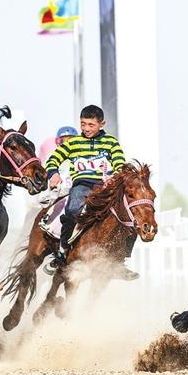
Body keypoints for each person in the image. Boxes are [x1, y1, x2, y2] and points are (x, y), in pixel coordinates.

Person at [43, 105, 137, 279]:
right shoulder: (73, 143)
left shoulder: (111, 142)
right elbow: (54, 159)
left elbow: (119, 163)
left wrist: (115, 175)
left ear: (101, 124)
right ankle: (62, 252)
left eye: (91, 125)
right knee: (72, 210)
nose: (86, 128)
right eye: (83, 124)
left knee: (132, 214)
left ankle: (121, 261)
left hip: (106, 187)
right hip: (82, 185)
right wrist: (53, 173)